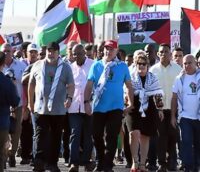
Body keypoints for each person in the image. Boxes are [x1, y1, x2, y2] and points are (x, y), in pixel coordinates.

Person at [84, 40, 134, 172]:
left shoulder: (122, 66)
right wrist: (86, 103)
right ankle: (102, 161)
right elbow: (89, 85)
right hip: (98, 107)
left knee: (112, 136)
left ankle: (106, 164)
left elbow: (129, 86)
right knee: (96, 135)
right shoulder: (96, 66)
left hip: (116, 107)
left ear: (117, 51)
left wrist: (131, 103)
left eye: (111, 49)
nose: (108, 51)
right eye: (106, 48)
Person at [28, 42, 75, 172]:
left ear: (58, 52)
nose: (51, 53)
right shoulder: (37, 65)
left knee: (55, 136)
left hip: (58, 109)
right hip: (40, 108)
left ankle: (52, 163)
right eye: (49, 50)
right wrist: (30, 103)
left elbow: (71, 85)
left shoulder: (65, 67)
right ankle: (39, 161)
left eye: (54, 51)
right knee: (40, 135)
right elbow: (31, 85)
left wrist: (69, 98)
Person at [126, 54, 164, 172]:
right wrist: (126, 105)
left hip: (149, 108)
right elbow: (126, 92)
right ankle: (135, 161)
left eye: (144, 64)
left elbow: (157, 93)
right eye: (139, 64)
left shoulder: (153, 77)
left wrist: (160, 109)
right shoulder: (130, 77)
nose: (141, 66)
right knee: (134, 133)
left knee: (145, 136)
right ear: (135, 65)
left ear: (147, 65)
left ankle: (142, 164)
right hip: (133, 106)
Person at [150, 43, 182, 171]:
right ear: (158, 54)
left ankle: (172, 161)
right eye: (161, 52)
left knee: (173, 135)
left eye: (166, 52)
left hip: (174, 109)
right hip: (160, 110)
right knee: (161, 137)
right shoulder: (153, 70)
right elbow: (153, 90)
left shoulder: (178, 69)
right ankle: (162, 163)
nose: (163, 54)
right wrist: (158, 108)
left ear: (170, 54)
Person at [171, 54, 200, 172]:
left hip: (198, 117)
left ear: (195, 63)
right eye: (185, 63)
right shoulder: (179, 78)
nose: (187, 65)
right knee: (186, 142)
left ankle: (197, 166)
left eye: (189, 63)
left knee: (198, 143)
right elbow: (174, 97)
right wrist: (173, 116)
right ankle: (189, 167)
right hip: (185, 117)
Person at [68, 44, 94, 172]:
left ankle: (87, 161)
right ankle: (74, 163)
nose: (75, 56)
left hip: (89, 107)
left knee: (88, 135)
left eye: (78, 53)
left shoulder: (93, 65)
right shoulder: (70, 68)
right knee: (74, 135)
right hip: (74, 107)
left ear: (84, 53)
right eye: (73, 54)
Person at [1, 43, 27, 167]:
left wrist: (27, 105)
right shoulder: (0, 66)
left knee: (16, 131)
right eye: (4, 51)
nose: (6, 53)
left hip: (18, 104)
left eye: (8, 51)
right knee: (4, 132)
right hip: (4, 106)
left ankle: (12, 154)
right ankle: (4, 156)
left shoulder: (22, 66)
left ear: (13, 52)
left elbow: (27, 85)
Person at [0, 51, 20, 172]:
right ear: (3, 64)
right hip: (2, 124)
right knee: (1, 155)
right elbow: (15, 101)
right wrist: (13, 85)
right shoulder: (7, 82)